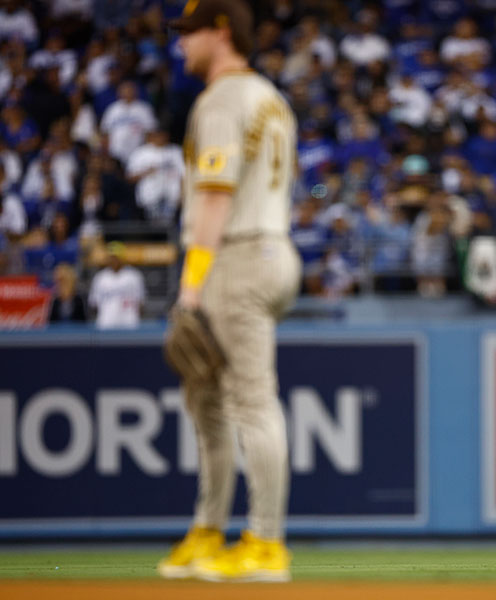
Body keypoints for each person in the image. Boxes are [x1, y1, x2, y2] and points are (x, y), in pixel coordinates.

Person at [157, 0, 301, 583]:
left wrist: (191, 287)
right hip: (271, 245)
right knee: (210, 402)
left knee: (249, 401)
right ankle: (208, 529)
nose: (180, 44)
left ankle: (265, 543)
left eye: (190, 32)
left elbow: (214, 196)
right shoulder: (270, 95)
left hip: (237, 254)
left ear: (221, 31)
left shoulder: (220, 99)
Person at [88, 241, 145, 329]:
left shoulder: (134, 276)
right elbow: (94, 305)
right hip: (106, 325)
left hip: (129, 325)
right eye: (111, 257)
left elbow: (141, 303)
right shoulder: (100, 278)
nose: (114, 260)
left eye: (116, 257)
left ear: (122, 258)